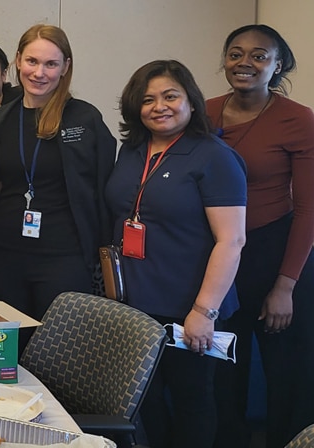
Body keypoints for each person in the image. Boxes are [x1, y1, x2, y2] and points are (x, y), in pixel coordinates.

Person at [106, 60, 246, 448]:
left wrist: (204, 312)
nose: (159, 106)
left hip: (188, 308)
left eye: (170, 96)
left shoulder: (214, 156)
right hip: (134, 305)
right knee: (142, 403)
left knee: (191, 402)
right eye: (147, 99)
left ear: (191, 101)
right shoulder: (132, 150)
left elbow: (231, 241)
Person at [209, 25, 314, 448]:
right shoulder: (203, 112)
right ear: (225, 60)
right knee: (223, 373)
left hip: (279, 255)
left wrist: (285, 286)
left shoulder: (298, 119)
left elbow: (309, 208)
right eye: (236, 53)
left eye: (259, 56)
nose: (245, 63)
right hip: (223, 259)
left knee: (288, 380)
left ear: (278, 66)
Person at [0, 24, 116, 333]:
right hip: (5, 255)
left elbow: (103, 190)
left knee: (61, 351)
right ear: (18, 61)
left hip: (65, 257)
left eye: (51, 64)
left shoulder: (84, 119)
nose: (39, 72)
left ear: (65, 67)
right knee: (11, 351)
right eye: (32, 62)